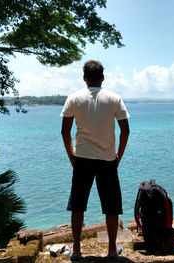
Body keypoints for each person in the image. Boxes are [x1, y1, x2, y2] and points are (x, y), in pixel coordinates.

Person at [60, 60, 130, 260]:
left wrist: (70, 155)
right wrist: (119, 156)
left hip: (81, 158)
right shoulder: (115, 98)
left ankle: (77, 249)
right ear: (102, 78)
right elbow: (125, 130)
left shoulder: (74, 98)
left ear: (84, 78)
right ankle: (110, 250)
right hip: (108, 159)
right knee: (111, 206)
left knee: (78, 204)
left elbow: (65, 131)